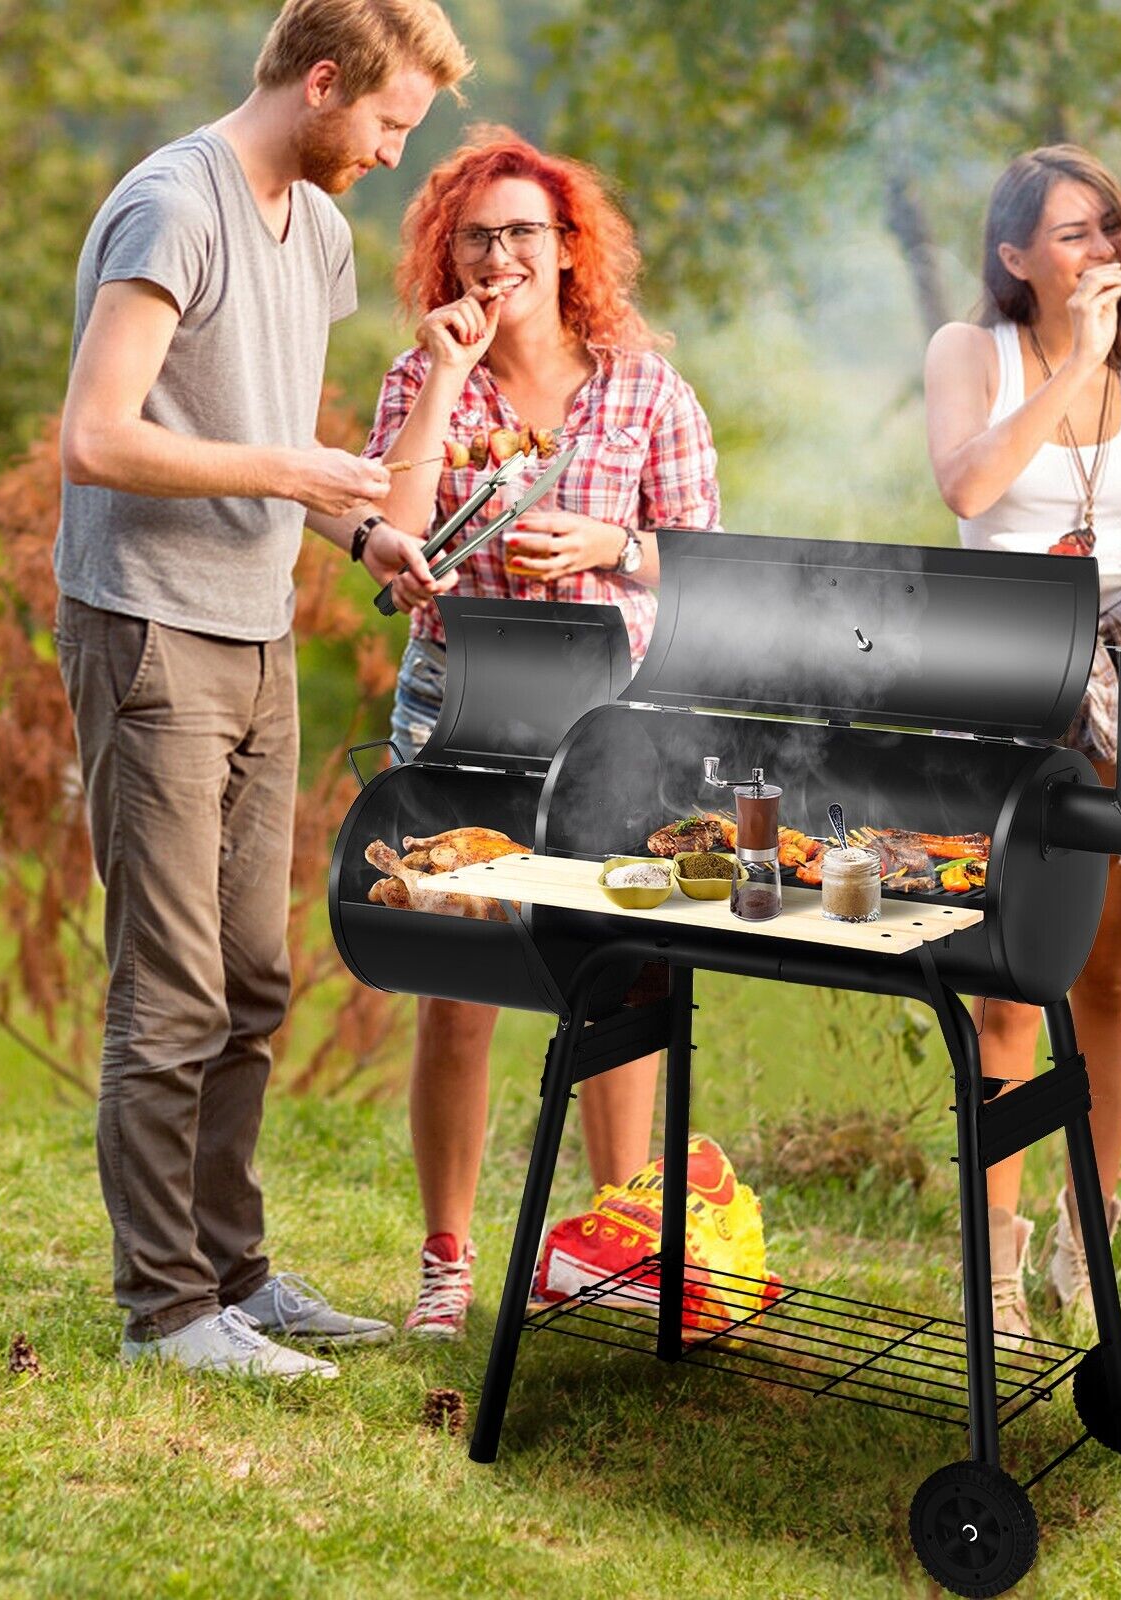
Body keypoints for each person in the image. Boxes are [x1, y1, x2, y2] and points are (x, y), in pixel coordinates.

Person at [54, 0, 473, 1379]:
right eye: (389, 125)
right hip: (148, 628)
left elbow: (274, 429)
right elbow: (98, 437)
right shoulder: (172, 207)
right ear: (318, 81)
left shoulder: (324, 228)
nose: (395, 159)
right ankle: (165, 1311)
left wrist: (362, 530)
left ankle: (234, 1276)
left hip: (253, 632)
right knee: (168, 983)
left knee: (250, 975)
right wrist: (298, 477)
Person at [362, 125, 721, 1339]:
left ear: (569, 249)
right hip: (458, 700)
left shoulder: (644, 386)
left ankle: (618, 1244)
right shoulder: (422, 375)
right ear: (447, 253)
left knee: (620, 977)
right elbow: (391, 529)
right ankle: (447, 1264)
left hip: (608, 720)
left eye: (524, 232)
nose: (501, 253)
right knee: (455, 986)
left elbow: (708, 565)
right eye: (478, 235)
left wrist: (611, 544)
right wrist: (451, 378)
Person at [924, 145, 1121, 1341]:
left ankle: (1088, 1241)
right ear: (1015, 255)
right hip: (1008, 681)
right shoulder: (968, 352)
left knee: (1111, 974)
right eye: (1073, 234)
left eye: (1110, 231)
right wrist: (1073, 360)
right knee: (1009, 983)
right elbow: (969, 491)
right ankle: (991, 1263)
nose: (1102, 254)